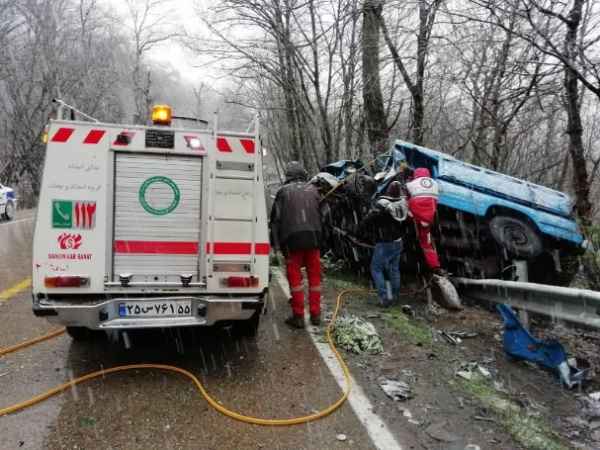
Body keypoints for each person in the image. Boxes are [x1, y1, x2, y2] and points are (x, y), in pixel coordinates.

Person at [270, 161, 323, 329]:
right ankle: (315, 314)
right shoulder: (314, 190)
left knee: (295, 279)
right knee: (315, 278)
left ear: (288, 176)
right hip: (314, 239)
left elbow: (275, 222)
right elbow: (323, 215)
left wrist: (276, 246)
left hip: (292, 241)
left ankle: (298, 315)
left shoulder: (283, 192)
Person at [358, 181, 408, 307]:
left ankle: (384, 298)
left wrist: (360, 229)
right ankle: (395, 296)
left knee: (376, 269)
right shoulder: (402, 204)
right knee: (394, 269)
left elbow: (369, 220)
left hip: (385, 242)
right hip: (398, 241)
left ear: (388, 191)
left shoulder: (382, 205)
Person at [405, 167, 442, 273]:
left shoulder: (411, 183)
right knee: (427, 242)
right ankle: (435, 265)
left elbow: (406, 192)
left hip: (415, 213)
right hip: (429, 216)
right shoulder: (435, 183)